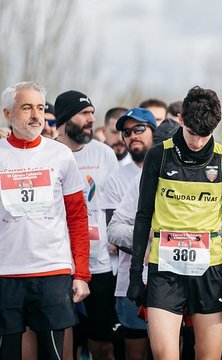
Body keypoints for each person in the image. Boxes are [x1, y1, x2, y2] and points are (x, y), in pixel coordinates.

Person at [127, 86, 222, 359]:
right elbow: (143, 216)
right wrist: (135, 274)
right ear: (180, 119)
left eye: (205, 135)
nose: (197, 142)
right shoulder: (158, 155)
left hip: (210, 269)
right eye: (192, 133)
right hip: (165, 269)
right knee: (165, 355)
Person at [0, 81, 90, 360]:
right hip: (6, 273)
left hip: (52, 271)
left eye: (39, 107)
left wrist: (82, 274)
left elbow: (77, 216)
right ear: (7, 114)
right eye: (26, 108)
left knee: (53, 355)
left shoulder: (59, 154)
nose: (36, 115)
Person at [55, 90, 119, 359]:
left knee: (103, 343)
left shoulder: (104, 154)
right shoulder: (50, 153)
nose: (91, 119)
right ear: (65, 118)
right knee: (65, 337)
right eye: (84, 114)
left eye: (92, 113)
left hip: (100, 262)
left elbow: (117, 204)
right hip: (58, 262)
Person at [102, 107, 158, 360]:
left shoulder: (174, 171)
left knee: (168, 351)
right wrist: (152, 241)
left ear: (153, 132)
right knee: (135, 353)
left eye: (139, 129)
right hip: (130, 282)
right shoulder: (116, 178)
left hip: (171, 281)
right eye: (126, 132)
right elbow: (115, 235)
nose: (132, 136)